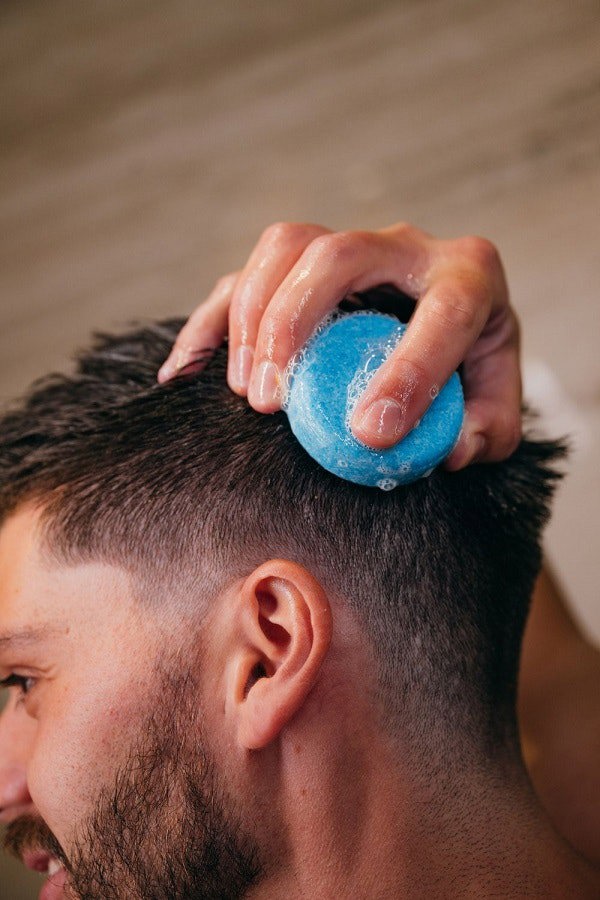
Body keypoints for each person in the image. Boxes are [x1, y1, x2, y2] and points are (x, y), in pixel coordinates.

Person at [0, 223, 598, 899]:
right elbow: (458, 565)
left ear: (271, 648)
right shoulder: (580, 765)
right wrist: (405, 335)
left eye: (24, 682)